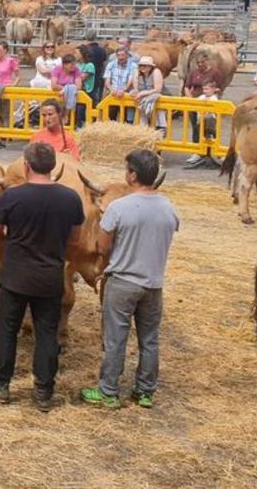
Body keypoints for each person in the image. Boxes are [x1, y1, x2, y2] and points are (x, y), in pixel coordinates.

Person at [0, 142, 85, 412]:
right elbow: (75, 240)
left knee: (6, 330)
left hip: (14, 274)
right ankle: (43, 392)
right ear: (53, 167)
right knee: (47, 334)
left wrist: (3, 253)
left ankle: (1, 385)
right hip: (50, 276)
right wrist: (59, 258)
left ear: (26, 166)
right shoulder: (70, 198)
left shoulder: (11, 197)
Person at [81, 150, 179, 410]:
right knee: (149, 340)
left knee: (116, 339)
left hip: (123, 282)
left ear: (132, 175)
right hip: (154, 284)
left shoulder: (118, 208)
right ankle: (145, 392)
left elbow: (102, 247)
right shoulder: (169, 208)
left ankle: (109, 391)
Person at [183, 50, 222, 166]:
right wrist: (191, 99)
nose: (200, 65)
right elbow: (187, 86)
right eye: (198, 63)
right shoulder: (194, 73)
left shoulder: (215, 73)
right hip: (196, 103)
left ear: (207, 61)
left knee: (211, 128)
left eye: (202, 62)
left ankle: (215, 151)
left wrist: (212, 96)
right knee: (196, 127)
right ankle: (197, 151)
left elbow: (220, 87)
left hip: (210, 104)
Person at [130, 55, 166, 133]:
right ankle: (144, 132)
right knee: (142, 119)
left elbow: (158, 89)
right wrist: (134, 91)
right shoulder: (137, 72)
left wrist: (144, 93)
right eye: (141, 65)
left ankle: (161, 130)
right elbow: (136, 88)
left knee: (159, 116)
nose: (142, 67)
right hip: (143, 103)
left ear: (150, 67)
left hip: (157, 99)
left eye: (145, 65)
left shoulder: (156, 72)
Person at [103, 46, 137, 124]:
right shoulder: (111, 64)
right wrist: (111, 89)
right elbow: (107, 80)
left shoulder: (133, 65)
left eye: (122, 55)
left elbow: (131, 79)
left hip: (126, 94)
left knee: (125, 119)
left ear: (127, 55)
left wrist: (124, 90)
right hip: (113, 94)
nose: (120, 57)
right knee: (110, 117)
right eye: (118, 55)